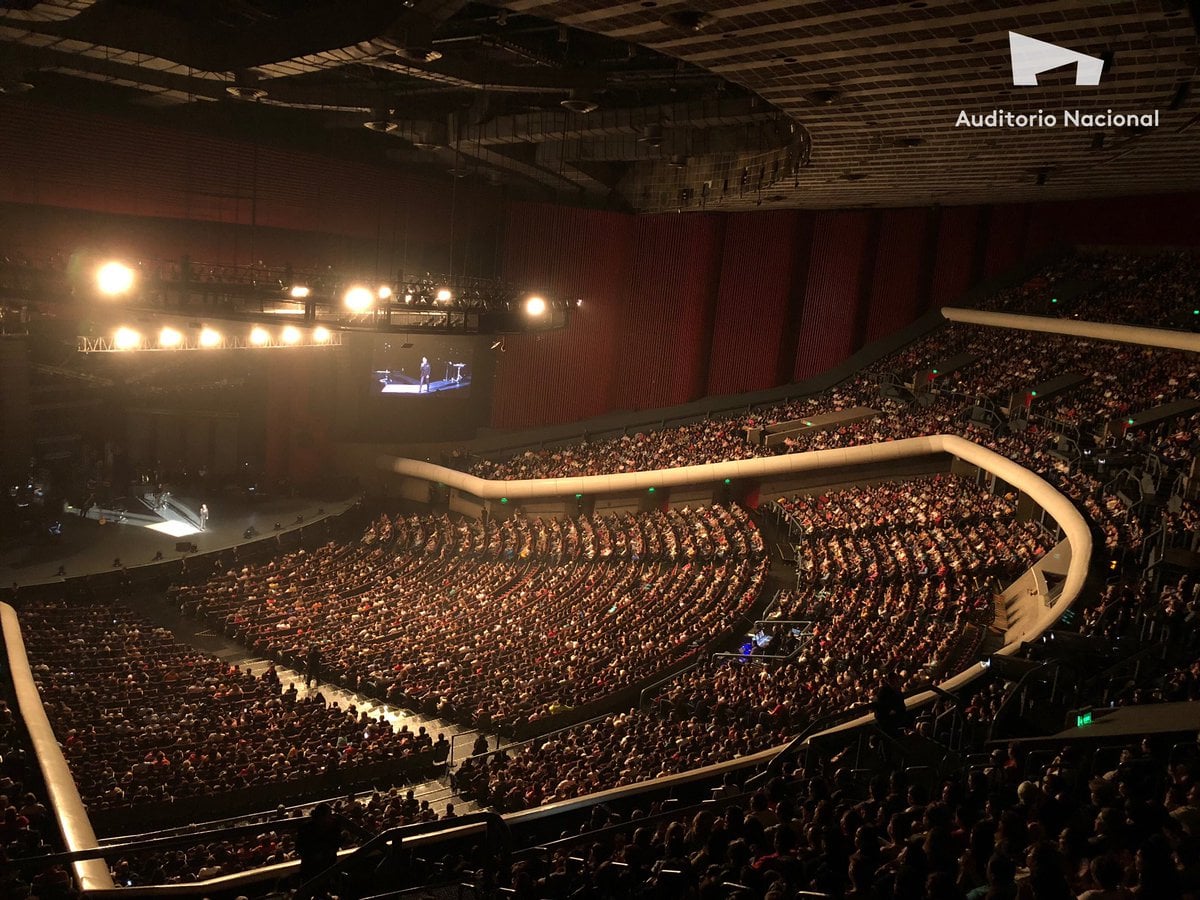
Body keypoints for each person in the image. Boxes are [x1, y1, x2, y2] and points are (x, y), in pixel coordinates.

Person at [295, 803, 342, 888]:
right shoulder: (306, 828)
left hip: (322, 866)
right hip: (314, 867)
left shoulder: (306, 827)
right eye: (329, 815)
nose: (331, 817)